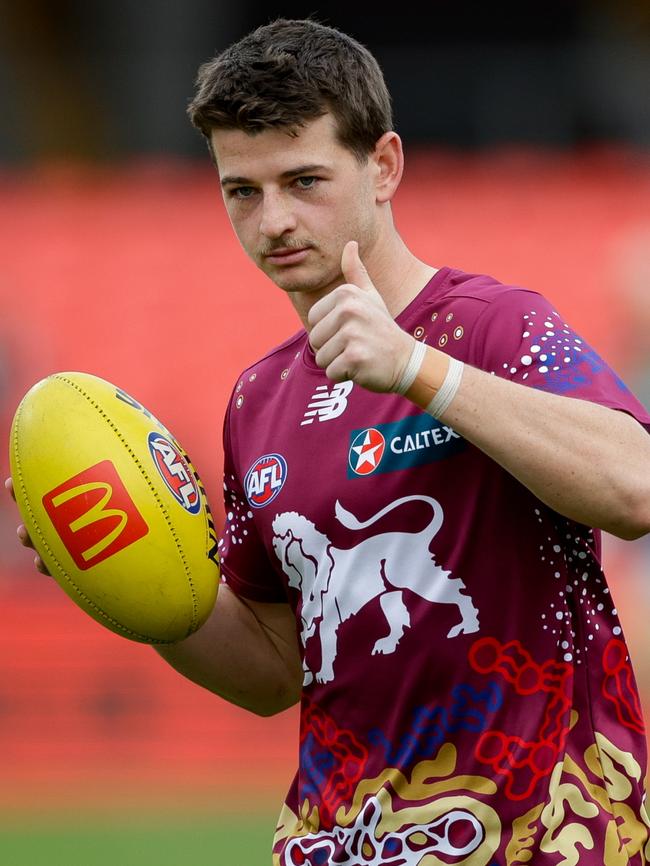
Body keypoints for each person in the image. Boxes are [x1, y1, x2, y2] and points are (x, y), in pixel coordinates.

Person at [10, 17, 650, 865]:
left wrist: (419, 371)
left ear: (383, 166)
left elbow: (636, 487)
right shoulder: (260, 399)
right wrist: (128, 583)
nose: (274, 220)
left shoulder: (493, 327)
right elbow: (275, 670)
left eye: (304, 180)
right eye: (243, 190)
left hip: (540, 836)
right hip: (338, 843)